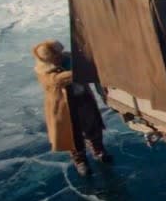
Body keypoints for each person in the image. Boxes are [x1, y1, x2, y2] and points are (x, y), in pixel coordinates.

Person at [32, 39, 112, 177]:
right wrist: (81, 70)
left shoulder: (69, 58)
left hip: (83, 98)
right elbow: (57, 80)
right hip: (65, 107)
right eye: (56, 55)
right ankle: (80, 161)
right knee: (73, 134)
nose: (59, 56)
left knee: (92, 126)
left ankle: (99, 151)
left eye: (59, 53)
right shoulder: (44, 71)